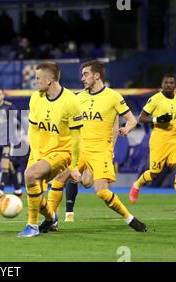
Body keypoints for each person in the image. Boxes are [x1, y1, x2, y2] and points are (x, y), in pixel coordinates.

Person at [41, 60, 146, 233]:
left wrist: (126, 129)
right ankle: (52, 221)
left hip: (100, 151)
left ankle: (130, 219)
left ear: (97, 76)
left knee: (101, 192)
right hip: (79, 150)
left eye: (85, 74)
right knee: (58, 180)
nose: (82, 78)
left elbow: (132, 119)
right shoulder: (78, 97)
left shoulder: (113, 96)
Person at [17, 62, 83, 238]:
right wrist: (36, 155)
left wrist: (75, 166)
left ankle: (32, 225)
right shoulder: (35, 98)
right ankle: (51, 218)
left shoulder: (71, 101)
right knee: (33, 189)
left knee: (30, 176)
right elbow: (33, 129)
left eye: (38, 78)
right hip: (39, 151)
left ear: (49, 80)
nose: (35, 81)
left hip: (62, 151)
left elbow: (77, 138)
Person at [129, 74, 176, 213]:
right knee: (154, 172)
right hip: (159, 139)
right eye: (166, 83)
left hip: (175, 138)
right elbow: (142, 117)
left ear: (174, 85)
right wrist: (157, 120)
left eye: (172, 83)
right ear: (162, 84)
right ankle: (137, 184)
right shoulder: (155, 99)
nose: (169, 85)